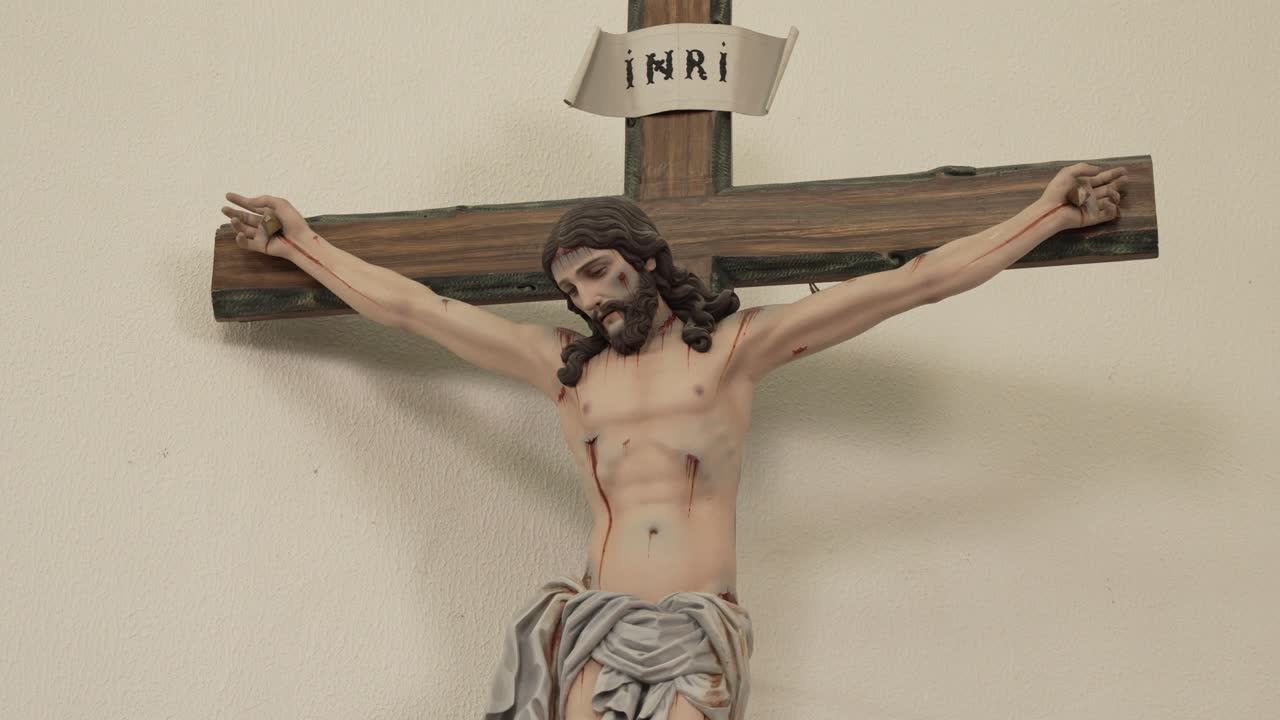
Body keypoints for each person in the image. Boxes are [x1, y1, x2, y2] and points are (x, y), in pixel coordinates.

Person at [221, 162, 1126, 720]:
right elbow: (417, 310)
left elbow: (913, 283)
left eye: (600, 273)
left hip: (695, 625)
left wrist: (1047, 214)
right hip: (599, 624)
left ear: (648, 260)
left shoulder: (734, 351)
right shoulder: (566, 370)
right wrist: (302, 243)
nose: (588, 298)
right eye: (572, 287)